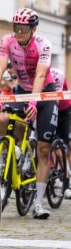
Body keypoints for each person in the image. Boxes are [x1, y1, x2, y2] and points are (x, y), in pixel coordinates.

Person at [0, 8, 57, 220]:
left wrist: (34, 102)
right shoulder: (7, 41)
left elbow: (40, 74)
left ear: (33, 28)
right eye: (15, 28)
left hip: (45, 93)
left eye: (23, 29)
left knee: (44, 150)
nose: (18, 32)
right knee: (5, 120)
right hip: (22, 92)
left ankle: (38, 204)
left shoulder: (43, 44)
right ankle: (8, 157)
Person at [50, 67, 71, 200]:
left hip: (65, 112)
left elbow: (55, 98)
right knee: (56, 149)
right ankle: (64, 176)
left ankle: (69, 183)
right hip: (51, 110)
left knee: (70, 144)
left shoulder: (58, 74)